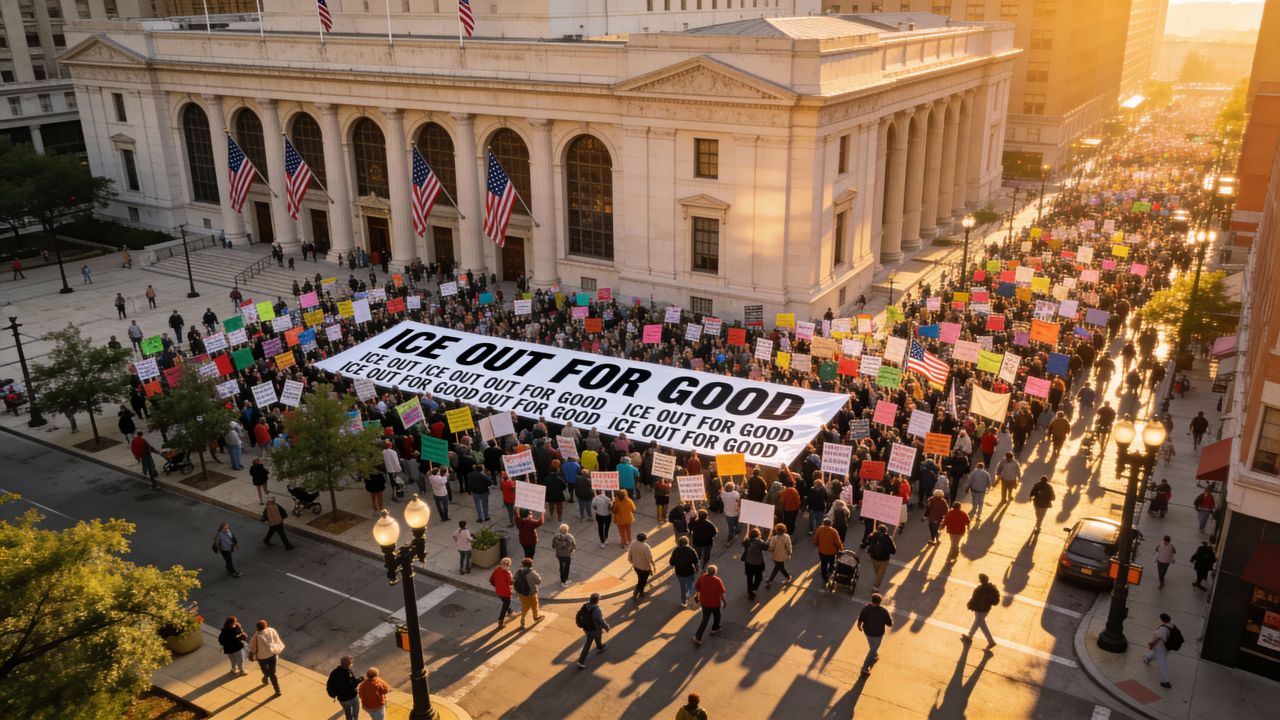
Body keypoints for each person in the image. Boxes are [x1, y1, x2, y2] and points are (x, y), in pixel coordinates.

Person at [856, 592, 894, 677]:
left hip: (867, 632)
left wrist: (859, 626)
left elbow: (860, 618)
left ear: (872, 600)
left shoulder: (866, 608)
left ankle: (875, 654)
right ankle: (865, 668)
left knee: (872, 646)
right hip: (878, 634)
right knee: (872, 650)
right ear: (880, 601)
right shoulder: (884, 611)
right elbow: (889, 624)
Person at [962, 573, 1000, 650]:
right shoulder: (992, 588)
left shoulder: (979, 589)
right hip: (986, 609)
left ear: (981, 580)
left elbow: (974, 599)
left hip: (979, 609)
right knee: (977, 622)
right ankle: (970, 635)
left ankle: (991, 641)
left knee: (981, 624)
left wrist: (970, 605)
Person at [248, 619, 284, 696]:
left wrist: (251, 654)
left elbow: (252, 648)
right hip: (272, 655)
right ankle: (277, 690)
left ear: (257, 627)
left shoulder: (256, 636)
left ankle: (266, 676)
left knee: (264, 670)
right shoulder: (271, 630)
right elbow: (276, 640)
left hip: (262, 658)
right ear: (265, 626)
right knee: (272, 673)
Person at [692, 565, 727, 645]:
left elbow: (697, 587)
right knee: (717, 616)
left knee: (705, 620)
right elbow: (721, 593)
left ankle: (698, 637)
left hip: (704, 602)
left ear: (707, 571)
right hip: (715, 603)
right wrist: (724, 602)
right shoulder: (717, 580)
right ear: (715, 572)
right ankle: (715, 628)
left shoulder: (701, 578)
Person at [575, 592, 611, 669]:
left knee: (592, 640)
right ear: (597, 601)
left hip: (587, 629)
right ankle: (581, 661)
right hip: (595, 629)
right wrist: (607, 627)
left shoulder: (585, 606)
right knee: (590, 642)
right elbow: (600, 621)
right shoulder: (596, 610)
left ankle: (600, 647)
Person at [1143, 613, 1175, 688]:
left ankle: (1166, 681)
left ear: (1162, 620)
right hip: (1168, 647)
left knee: (1161, 662)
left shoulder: (1163, 629)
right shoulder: (1172, 624)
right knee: (1155, 655)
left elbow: (1157, 638)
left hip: (1161, 647)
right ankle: (1147, 658)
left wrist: (1152, 644)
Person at [326, 656, 361, 720]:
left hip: (342, 699)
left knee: (347, 713)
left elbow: (329, 684)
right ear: (348, 665)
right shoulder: (348, 672)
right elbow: (354, 684)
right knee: (355, 712)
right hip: (352, 697)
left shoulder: (334, 672)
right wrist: (360, 679)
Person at [513, 557, 543, 628]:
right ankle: (535, 617)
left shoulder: (519, 571)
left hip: (521, 593)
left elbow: (514, 579)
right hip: (531, 593)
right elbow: (539, 582)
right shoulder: (532, 573)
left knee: (524, 607)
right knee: (534, 605)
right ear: (531, 565)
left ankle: (522, 620)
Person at [670, 536, 700, 606]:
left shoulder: (675, 550)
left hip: (679, 572)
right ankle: (695, 600)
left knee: (683, 588)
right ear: (687, 542)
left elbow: (671, 562)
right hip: (689, 572)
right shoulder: (691, 550)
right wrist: (697, 570)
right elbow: (696, 562)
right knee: (691, 586)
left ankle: (684, 602)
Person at [865, 524, 897, 591]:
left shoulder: (873, 535)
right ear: (886, 531)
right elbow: (893, 551)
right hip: (884, 559)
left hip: (873, 557)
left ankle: (877, 581)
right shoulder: (888, 538)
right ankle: (876, 587)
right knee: (881, 574)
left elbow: (867, 542)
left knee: (877, 572)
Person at [740, 527, 767, 601]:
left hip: (748, 562)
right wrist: (768, 539)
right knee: (759, 578)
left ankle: (750, 592)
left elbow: (743, 543)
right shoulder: (760, 542)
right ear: (758, 534)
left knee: (749, 578)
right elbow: (766, 547)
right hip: (758, 563)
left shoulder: (747, 541)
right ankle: (754, 589)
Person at [813, 518, 843, 583]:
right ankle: (830, 571)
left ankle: (824, 577)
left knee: (823, 564)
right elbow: (838, 542)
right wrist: (841, 548)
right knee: (831, 562)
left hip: (822, 551)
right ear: (831, 524)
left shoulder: (819, 529)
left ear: (823, 523)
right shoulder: (834, 531)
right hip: (831, 552)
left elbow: (816, 539)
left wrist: (815, 543)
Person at [629, 532, 656, 601]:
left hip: (636, 566)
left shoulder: (633, 543)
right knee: (643, 580)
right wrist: (653, 565)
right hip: (644, 568)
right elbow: (649, 558)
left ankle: (640, 591)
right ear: (644, 539)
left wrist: (631, 561)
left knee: (640, 578)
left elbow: (630, 554)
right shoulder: (646, 547)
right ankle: (638, 591)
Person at [489, 557, 514, 629]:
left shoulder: (496, 569)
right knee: (505, 605)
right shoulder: (507, 573)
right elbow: (510, 582)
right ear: (506, 565)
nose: (509, 567)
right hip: (506, 592)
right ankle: (500, 621)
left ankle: (509, 611)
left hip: (498, 591)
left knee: (505, 603)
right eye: (508, 565)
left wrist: (496, 585)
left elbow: (491, 579)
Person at [765, 523, 793, 587]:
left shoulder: (774, 538)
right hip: (783, 556)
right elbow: (789, 546)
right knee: (780, 567)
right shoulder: (787, 537)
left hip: (775, 556)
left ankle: (770, 580)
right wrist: (789, 553)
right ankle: (788, 577)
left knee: (778, 567)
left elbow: (771, 548)